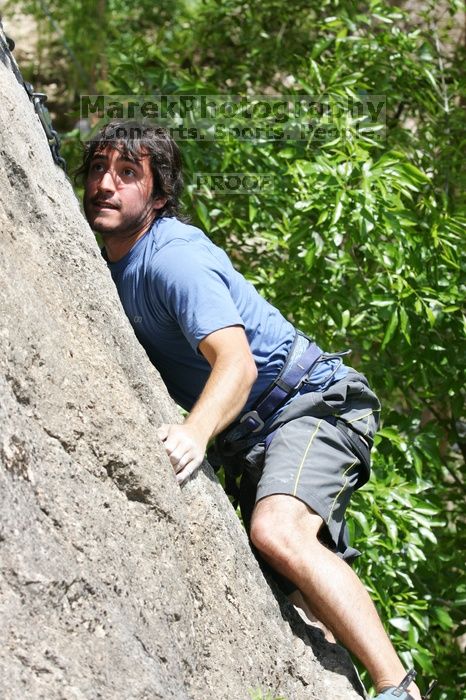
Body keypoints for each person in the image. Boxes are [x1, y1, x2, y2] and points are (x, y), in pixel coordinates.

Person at [80, 119, 423, 700]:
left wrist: (194, 433)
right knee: (287, 587)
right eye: (97, 169)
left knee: (276, 531)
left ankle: (398, 689)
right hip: (256, 437)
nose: (105, 184)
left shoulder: (173, 261)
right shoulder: (111, 267)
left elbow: (235, 363)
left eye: (127, 173)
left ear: (158, 196)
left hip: (310, 404)